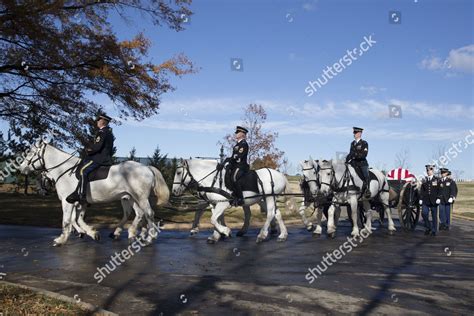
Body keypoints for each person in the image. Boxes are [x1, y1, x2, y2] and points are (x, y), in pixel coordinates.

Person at [66, 113, 115, 203]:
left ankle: (82, 195)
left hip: (99, 158)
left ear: (102, 122)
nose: (97, 122)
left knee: (82, 171)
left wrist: (88, 150)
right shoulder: (109, 133)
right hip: (105, 157)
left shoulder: (102, 132)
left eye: (98, 120)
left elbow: (98, 147)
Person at [222, 126, 249, 206]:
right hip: (235, 165)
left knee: (234, 177)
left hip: (241, 166)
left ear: (242, 134)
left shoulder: (244, 144)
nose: (236, 134)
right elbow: (234, 156)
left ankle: (240, 198)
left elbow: (238, 156)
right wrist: (228, 161)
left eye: (238, 133)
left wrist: (230, 159)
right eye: (236, 133)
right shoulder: (237, 144)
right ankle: (233, 194)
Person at [345, 127, 371, 198]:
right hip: (353, 163)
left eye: (356, 133)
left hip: (362, 163)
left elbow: (364, 155)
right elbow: (350, 153)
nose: (354, 134)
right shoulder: (352, 143)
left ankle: (367, 190)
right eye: (354, 133)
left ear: (360, 133)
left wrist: (354, 156)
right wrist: (345, 161)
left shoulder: (364, 143)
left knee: (366, 175)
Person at [420, 164, 441, 236]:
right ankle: (428, 227)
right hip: (425, 200)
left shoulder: (437, 179)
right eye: (427, 170)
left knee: (434, 216)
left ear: (433, 171)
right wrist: (421, 198)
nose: (429, 171)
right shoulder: (424, 180)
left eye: (430, 170)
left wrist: (439, 198)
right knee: (424, 214)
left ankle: (434, 230)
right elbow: (422, 190)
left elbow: (440, 190)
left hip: (434, 200)